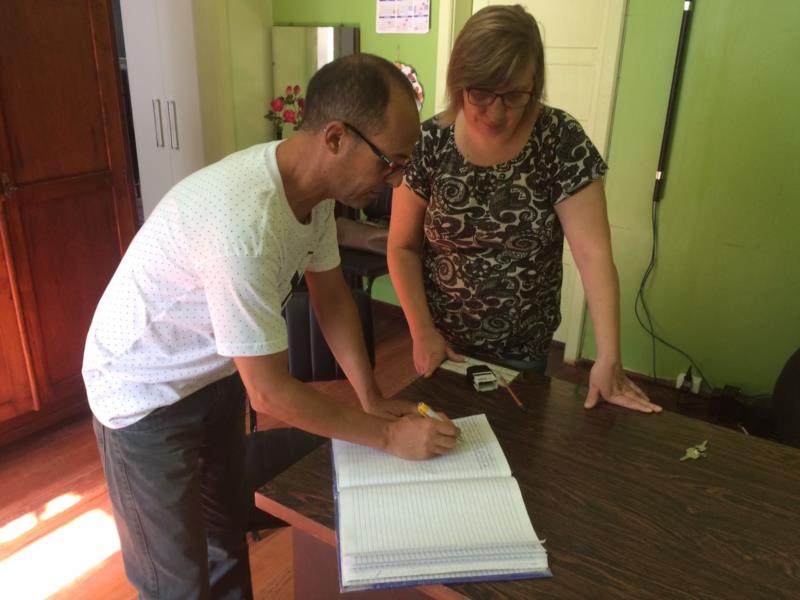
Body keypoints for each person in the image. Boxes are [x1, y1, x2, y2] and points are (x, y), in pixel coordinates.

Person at [82, 53, 459, 599]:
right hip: (141, 390)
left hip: (210, 372)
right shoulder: (244, 224)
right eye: (389, 163)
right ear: (335, 137)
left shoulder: (316, 195)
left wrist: (371, 396)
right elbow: (270, 392)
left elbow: (330, 297)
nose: (395, 181)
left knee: (224, 540)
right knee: (177, 584)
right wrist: (387, 436)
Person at [387, 5, 661, 414]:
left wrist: (607, 356)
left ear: (535, 86)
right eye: (480, 93)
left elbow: (593, 254)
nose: (496, 113)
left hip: (523, 348)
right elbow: (402, 246)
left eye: (514, 96)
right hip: (443, 343)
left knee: (517, 449)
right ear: (459, 81)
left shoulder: (560, 140)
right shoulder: (431, 141)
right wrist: (421, 330)